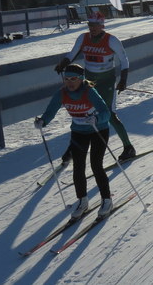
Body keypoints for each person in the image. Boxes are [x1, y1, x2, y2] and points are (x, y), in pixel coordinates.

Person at [54, 12, 136, 162]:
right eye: (90, 25)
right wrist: (63, 64)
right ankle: (74, 148)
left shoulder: (111, 40)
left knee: (109, 114)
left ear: (102, 25)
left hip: (106, 82)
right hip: (89, 81)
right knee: (81, 113)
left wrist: (123, 80)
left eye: (95, 25)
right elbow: (72, 54)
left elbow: (124, 60)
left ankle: (128, 147)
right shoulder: (83, 38)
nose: (92, 28)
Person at [34, 64, 113, 219]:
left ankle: (107, 200)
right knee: (78, 167)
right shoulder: (62, 93)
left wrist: (97, 118)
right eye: (67, 79)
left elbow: (106, 112)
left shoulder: (89, 91)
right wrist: (43, 121)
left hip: (98, 129)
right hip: (79, 132)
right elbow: (51, 111)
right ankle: (82, 201)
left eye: (73, 79)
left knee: (96, 165)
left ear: (81, 79)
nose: (69, 82)